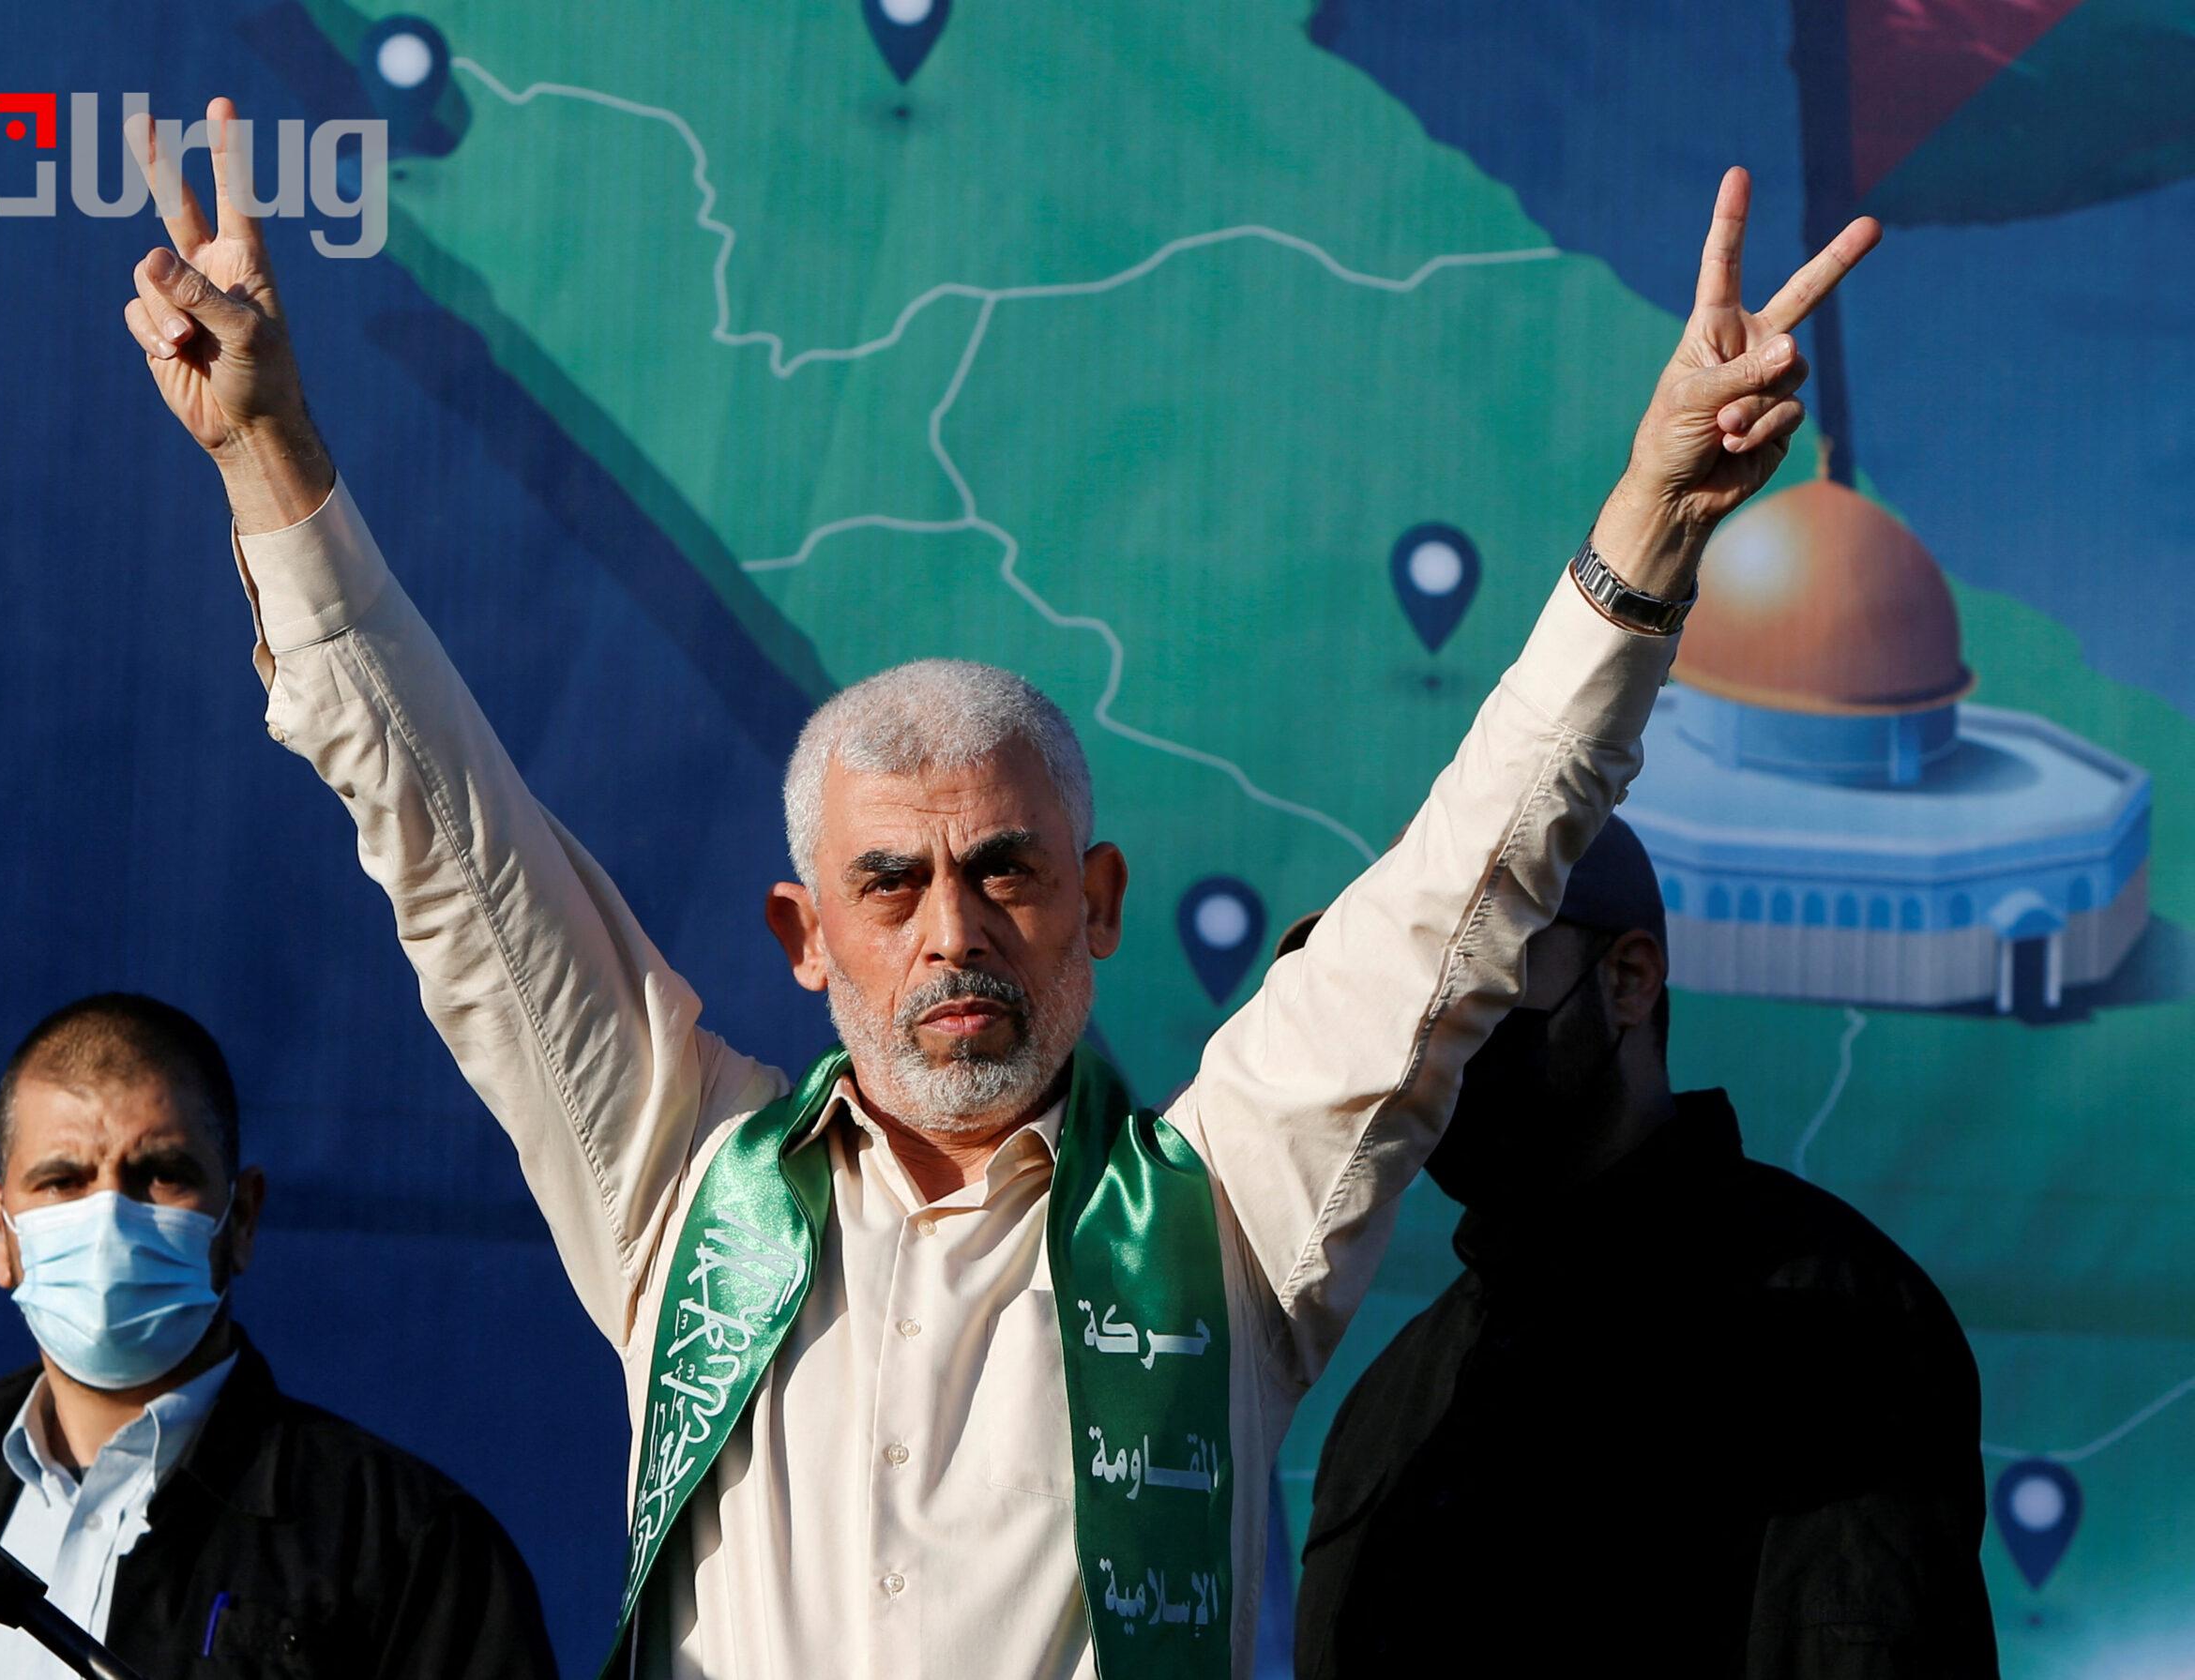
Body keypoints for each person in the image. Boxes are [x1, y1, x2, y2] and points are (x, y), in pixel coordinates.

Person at [114, 92, 1876, 1680]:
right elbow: (456, 849)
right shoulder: (675, 1186)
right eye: (891, 885)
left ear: (1097, 903)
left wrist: (1649, 524)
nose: (952, 929)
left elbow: (1468, 884)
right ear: (806, 939)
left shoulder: (1228, 1211)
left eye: (1005, 870)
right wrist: (269, 461)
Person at [1290, 819, 1999, 1677]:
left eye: (1461, 978)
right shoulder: (1389, 1400)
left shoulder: (1829, 1322)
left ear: (1627, 980)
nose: (1421, 1038)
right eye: (1390, 998)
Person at [0, 993, 559, 1680]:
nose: (108, 1215)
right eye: (63, 1180)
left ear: (241, 1218)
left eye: (160, 1174)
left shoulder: (407, 1548)